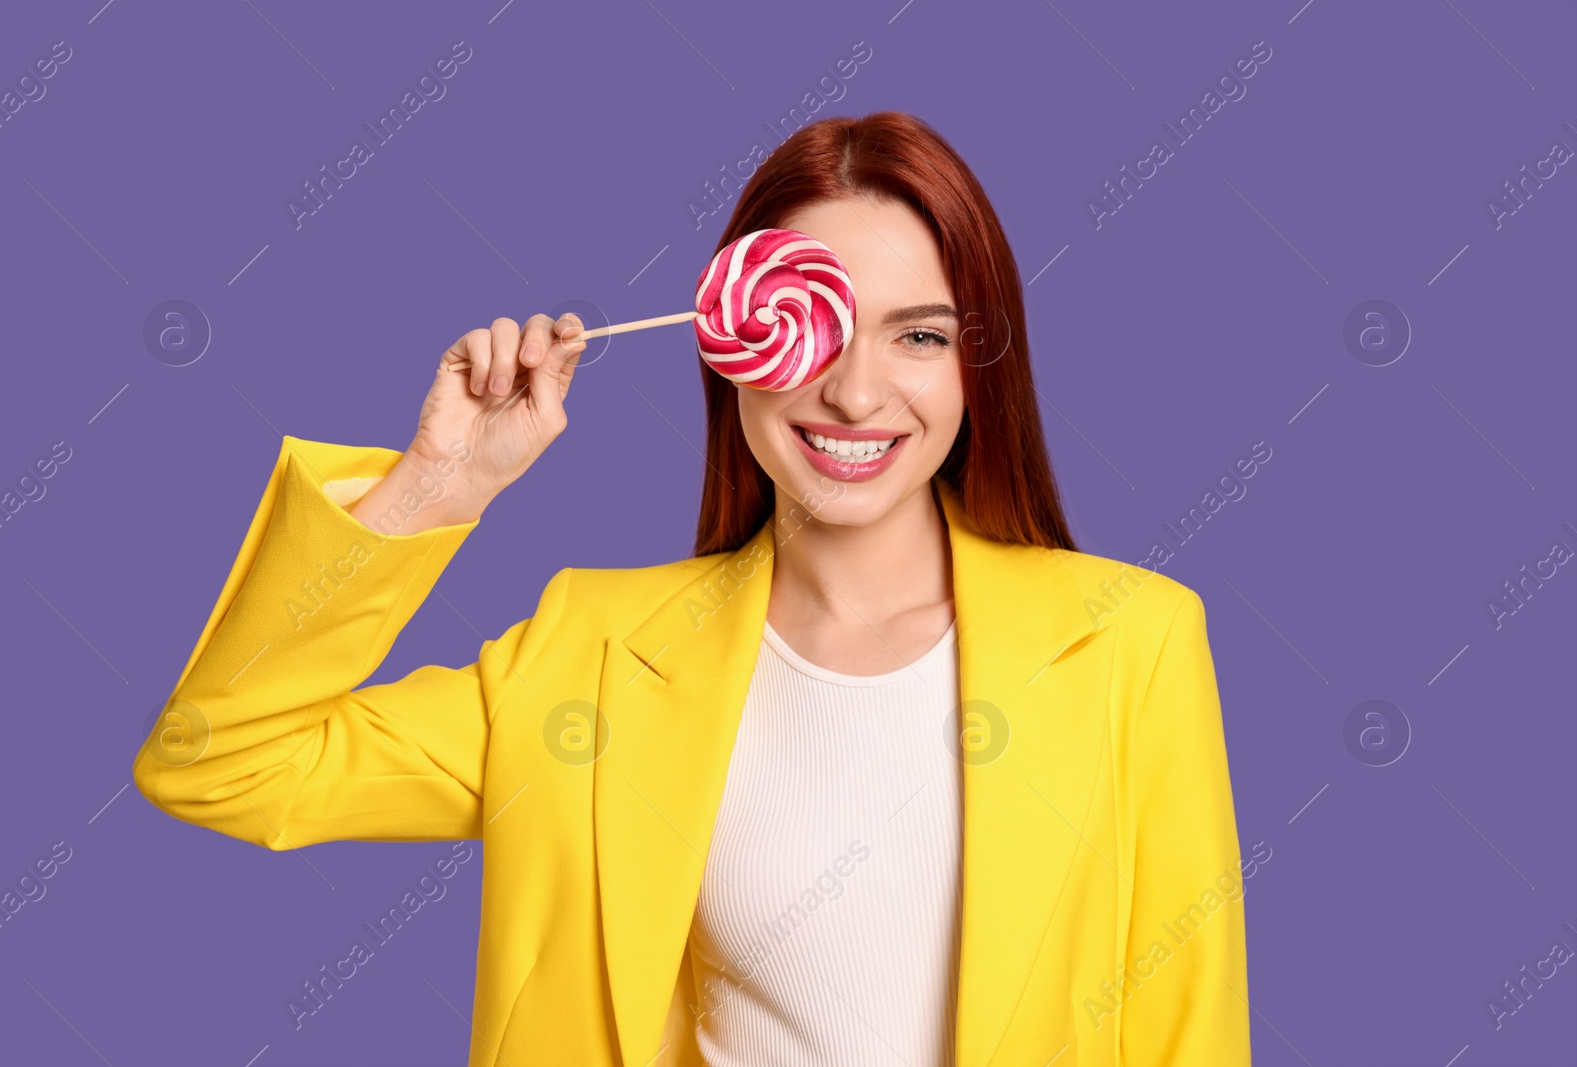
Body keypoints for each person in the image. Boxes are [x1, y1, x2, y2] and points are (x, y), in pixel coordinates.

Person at [133, 111, 1250, 1066]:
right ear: (732, 340)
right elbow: (223, 759)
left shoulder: (1129, 642)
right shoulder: (592, 653)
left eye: (918, 334)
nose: (855, 392)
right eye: (814, 329)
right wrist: (435, 487)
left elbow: (1186, 1026)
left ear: (975, 363)